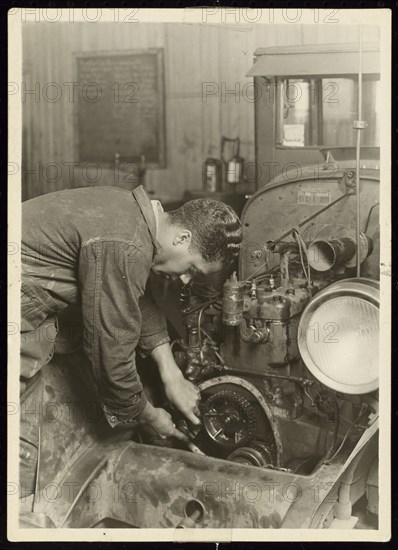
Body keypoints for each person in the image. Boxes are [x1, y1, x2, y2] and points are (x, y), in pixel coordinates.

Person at [20, 184, 242, 443]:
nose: (184, 279)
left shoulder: (133, 214)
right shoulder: (126, 247)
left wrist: (171, 373)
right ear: (182, 238)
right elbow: (111, 354)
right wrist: (147, 416)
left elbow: (137, 297)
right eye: (192, 269)